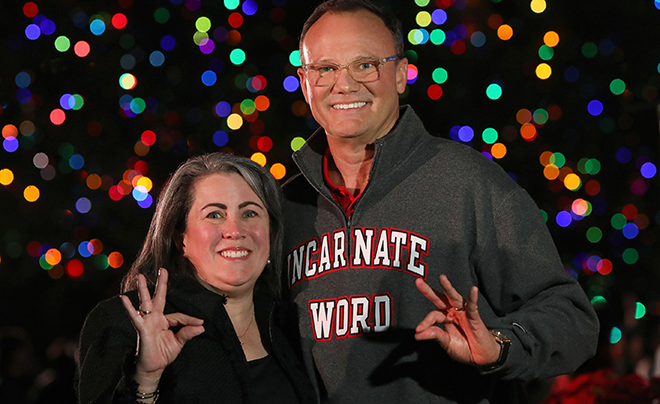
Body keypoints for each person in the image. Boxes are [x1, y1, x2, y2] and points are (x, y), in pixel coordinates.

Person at [281, 0, 600, 402]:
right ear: (305, 82)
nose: (344, 84)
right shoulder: (283, 205)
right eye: (325, 68)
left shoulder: (468, 181)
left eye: (366, 65)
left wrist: (499, 344)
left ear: (400, 74)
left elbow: (572, 318)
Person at [77, 153, 316, 404]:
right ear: (182, 239)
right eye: (214, 215)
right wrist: (145, 378)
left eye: (250, 214)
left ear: (271, 232)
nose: (235, 231)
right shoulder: (127, 323)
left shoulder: (291, 324)